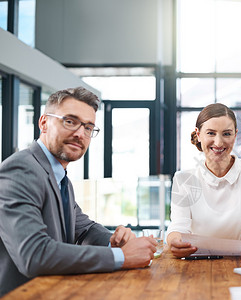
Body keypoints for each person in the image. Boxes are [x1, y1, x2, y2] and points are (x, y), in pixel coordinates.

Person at [0, 87, 157, 296]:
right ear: (44, 123)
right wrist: (121, 257)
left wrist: (114, 240)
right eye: (70, 121)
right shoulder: (21, 170)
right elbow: (34, 255)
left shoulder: (59, 176)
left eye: (88, 127)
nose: (79, 134)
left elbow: (82, 229)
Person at [166, 103, 241, 258]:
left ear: (235, 135)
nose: (219, 142)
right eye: (211, 133)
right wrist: (175, 241)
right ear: (198, 134)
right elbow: (178, 227)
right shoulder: (184, 180)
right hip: (197, 264)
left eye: (226, 134)